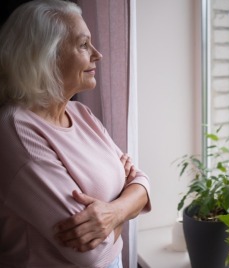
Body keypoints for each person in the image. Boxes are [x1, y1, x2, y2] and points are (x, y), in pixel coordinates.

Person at [0, 0, 151, 267]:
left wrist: (113, 212)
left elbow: (142, 181)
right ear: (45, 56)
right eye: (83, 45)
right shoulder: (17, 130)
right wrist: (127, 200)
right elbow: (89, 252)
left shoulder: (81, 114)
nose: (97, 54)